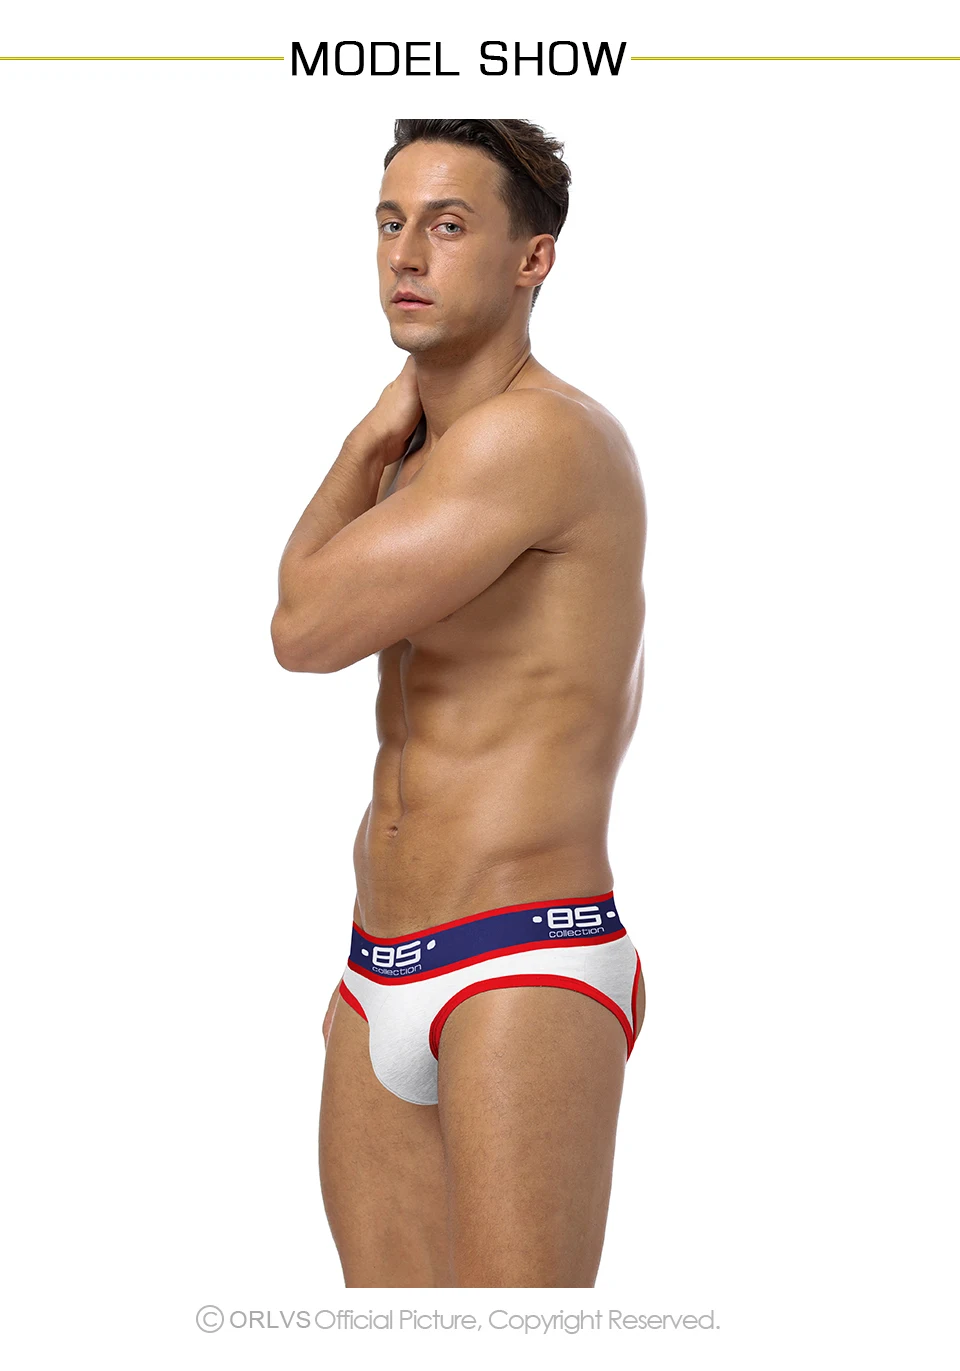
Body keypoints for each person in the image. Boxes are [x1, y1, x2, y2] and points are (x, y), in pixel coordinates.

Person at [271, 118, 647, 1288]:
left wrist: (362, 440)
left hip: (521, 958)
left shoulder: (538, 436)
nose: (405, 254)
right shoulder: (419, 461)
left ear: (534, 258)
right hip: (377, 958)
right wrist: (385, 442)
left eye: (447, 224)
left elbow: (304, 631)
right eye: (391, 222)